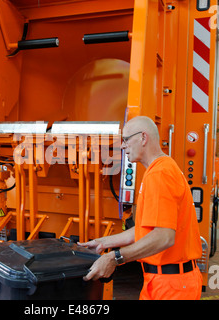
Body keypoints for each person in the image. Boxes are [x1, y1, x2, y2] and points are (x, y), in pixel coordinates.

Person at [79, 116, 203, 300]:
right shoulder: (158, 170)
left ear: (143, 138)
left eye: (126, 139)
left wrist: (115, 258)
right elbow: (146, 231)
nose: (123, 146)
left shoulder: (160, 174)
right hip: (163, 281)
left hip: (171, 287)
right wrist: (104, 243)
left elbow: (164, 236)